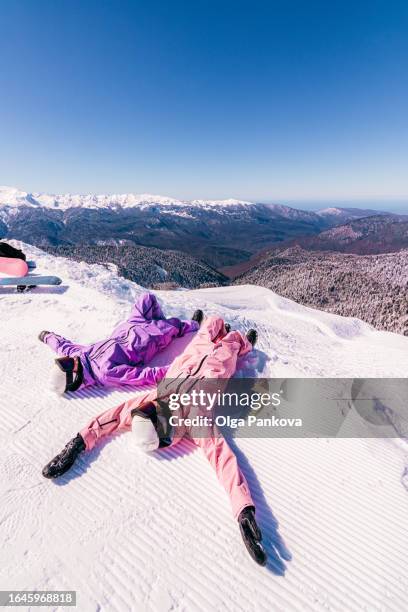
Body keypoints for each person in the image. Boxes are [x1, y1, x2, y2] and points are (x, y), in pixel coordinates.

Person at [42, 316, 266, 565]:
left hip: (196, 350)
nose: (156, 406)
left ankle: (224, 329)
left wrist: (80, 440)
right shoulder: (197, 418)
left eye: (151, 409)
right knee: (231, 346)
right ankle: (244, 341)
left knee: (214, 322)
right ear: (166, 428)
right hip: (218, 361)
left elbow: (115, 417)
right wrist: (243, 507)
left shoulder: (157, 397)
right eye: (156, 413)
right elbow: (222, 459)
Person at [39, 292, 202, 394]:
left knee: (147, 298)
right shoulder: (106, 373)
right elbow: (142, 376)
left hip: (129, 326)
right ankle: (193, 325)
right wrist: (174, 370)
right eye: (67, 364)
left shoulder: (79, 357)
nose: (70, 359)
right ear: (75, 377)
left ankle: (160, 320)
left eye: (63, 361)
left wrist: (47, 336)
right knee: (172, 325)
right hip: (147, 339)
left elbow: (63, 347)